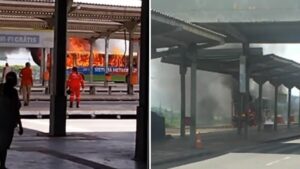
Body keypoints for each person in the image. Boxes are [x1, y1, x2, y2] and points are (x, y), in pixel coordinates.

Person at [0, 72, 23, 169]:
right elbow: (15, 109)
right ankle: (2, 165)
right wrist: (20, 125)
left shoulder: (0, 87)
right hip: (7, 123)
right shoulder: (13, 92)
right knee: (3, 145)